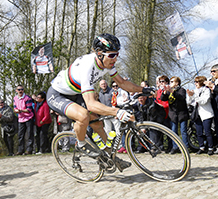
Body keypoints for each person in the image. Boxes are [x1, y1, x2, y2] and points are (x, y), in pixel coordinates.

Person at [46, 33, 153, 171]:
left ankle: (110, 157)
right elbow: (91, 104)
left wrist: (143, 90)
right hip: (57, 94)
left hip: (75, 93)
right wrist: (117, 112)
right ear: (99, 54)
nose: (115, 58)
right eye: (112, 55)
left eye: (117, 54)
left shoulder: (107, 63)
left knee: (97, 123)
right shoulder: (87, 66)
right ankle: (81, 143)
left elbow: (121, 83)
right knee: (83, 115)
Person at [161, 76, 189, 154]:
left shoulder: (181, 90)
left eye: (172, 82)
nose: (171, 83)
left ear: (177, 83)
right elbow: (163, 99)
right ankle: (175, 147)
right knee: (173, 131)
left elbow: (182, 97)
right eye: (170, 82)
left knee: (183, 131)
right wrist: (165, 92)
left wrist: (172, 92)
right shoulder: (169, 91)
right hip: (173, 114)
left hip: (182, 114)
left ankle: (185, 147)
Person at [187, 76, 214, 155]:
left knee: (207, 131)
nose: (195, 84)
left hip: (206, 114)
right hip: (197, 114)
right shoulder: (194, 91)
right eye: (194, 82)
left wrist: (194, 96)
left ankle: (210, 148)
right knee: (199, 132)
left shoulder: (206, 90)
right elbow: (188, 102)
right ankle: (201, 147)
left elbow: (204, 101)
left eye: (197, 82)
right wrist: (190, 95)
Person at [13, 85, 35, 155]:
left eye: (21, 89)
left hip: (28, 118)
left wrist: (20, 111)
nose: (20, 91)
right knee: (20, 135)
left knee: (29, 135)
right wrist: (16, 110)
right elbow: (15, 107)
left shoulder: (27, 98)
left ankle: (29, 150)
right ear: (16, 91)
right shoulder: (15, 98)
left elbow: (29, 109)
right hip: (20, 119)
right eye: (19, 89)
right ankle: (20, 150)